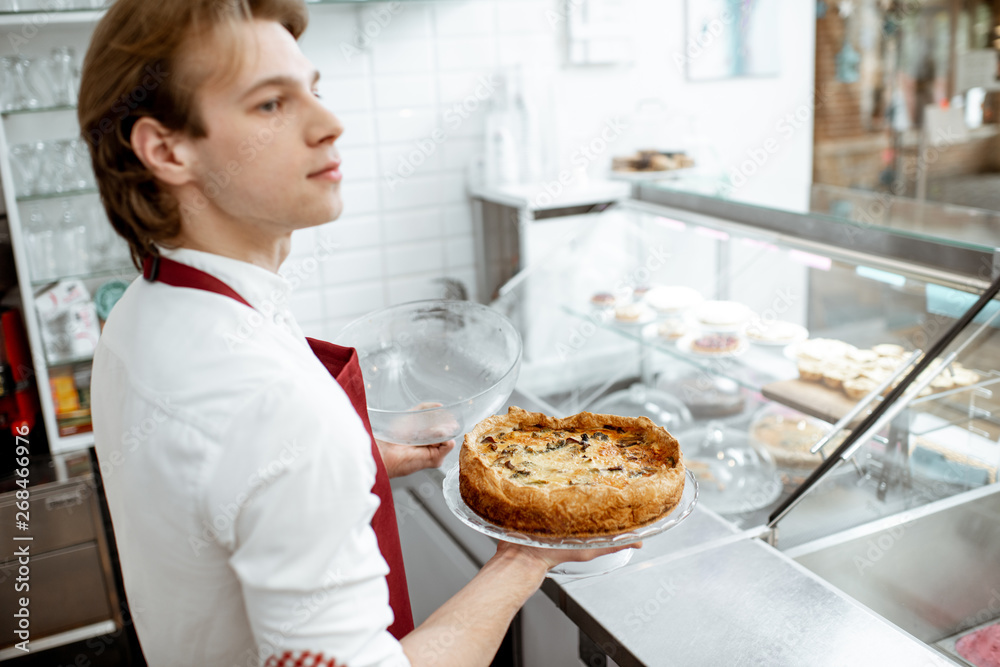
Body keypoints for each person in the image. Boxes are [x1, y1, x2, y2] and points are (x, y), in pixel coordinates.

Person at [79, 1, 634, 666]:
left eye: (312, 90)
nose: (330, 123)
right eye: (269, 105)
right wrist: (527, 554)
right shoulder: (279, 406)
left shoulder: (143, 312)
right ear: (166, 150)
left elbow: (219, 484)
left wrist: (357, 457)